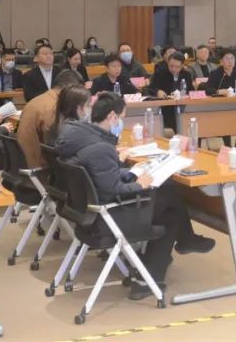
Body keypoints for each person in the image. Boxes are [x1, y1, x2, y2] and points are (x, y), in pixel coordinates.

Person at [55, 92, 215, 300]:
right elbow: (112, 189)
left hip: (87, 212)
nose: (121, 123)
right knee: (170, 211)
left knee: (168, 193)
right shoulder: (100, 147)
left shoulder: (80, 138)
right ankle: (149, 278)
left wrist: (131, 173)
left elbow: (103, 176)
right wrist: (138, 184)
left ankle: (181, 243)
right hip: (107, 218)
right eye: (121, 118)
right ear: (112, 116)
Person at [17, 70, 84, 169]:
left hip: (22, 164)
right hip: (41, 169)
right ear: (71, 89)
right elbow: (60, 145)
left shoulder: (36, 100)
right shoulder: (54, 108)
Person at [147, 52, 195, 131]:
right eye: (171, 66)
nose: (173, 69)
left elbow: (191, 91)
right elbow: (150, 88)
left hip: (183, 106)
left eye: (177, 67)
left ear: (182, 66)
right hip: (166, 108)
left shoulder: (186, 74)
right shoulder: (161, 73)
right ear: (167, 63)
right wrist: (158, 91)